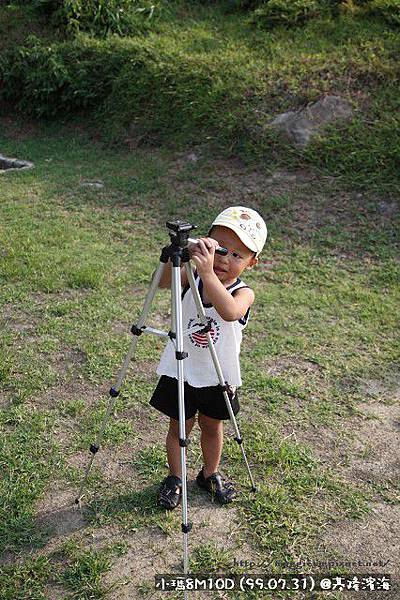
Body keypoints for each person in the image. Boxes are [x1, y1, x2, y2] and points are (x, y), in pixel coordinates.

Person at [149, 206, 267, 509]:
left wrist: (205, 272)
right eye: (221, 249)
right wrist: (180, 256)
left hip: (219, 375)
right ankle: (175, 477)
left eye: (238, 255)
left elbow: (229, 311)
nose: (225, 260)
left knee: (212, 428)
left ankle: (209, 473)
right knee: (179, 427)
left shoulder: (244, 292)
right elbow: (161, 283)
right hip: (183, 369)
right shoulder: (191, 276)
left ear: (253, 262)